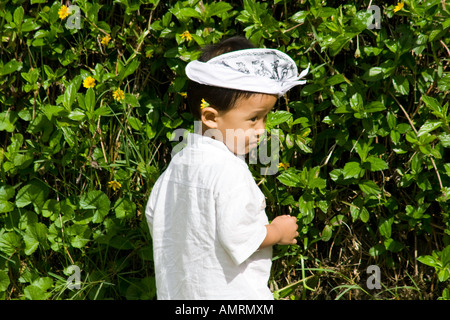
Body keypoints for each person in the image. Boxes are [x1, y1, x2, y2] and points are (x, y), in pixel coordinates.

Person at [145, 36, 309, 300]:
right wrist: (278, 231)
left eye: (265, 118)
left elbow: (155, 214)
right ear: (210, 117)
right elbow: (240, 236)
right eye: (253, 119)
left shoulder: (180, 161)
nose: (262, 130)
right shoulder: (228, 170)